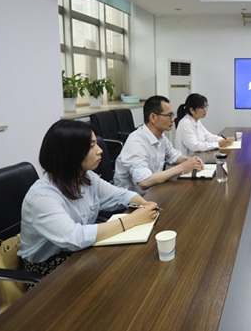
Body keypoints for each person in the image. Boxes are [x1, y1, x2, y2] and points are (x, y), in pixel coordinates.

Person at [18, 119, 159, 284]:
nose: (100, 150)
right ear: (70, 153)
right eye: (92, 146)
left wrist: (143, 204)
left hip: (81, 254)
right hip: (49, 269)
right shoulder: (42, 197)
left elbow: (119, 195)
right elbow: (75, 238)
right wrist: (132, 219)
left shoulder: (85, 177)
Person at [114, 95, 204, 196]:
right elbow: (144, 182)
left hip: (153, 191)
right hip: (131, 199)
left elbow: (174, 155)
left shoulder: (161, 137)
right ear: (153, 117)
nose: (172, 120)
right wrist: (182, 167)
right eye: (169, 115)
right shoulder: (136, 141)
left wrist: (190, 160)